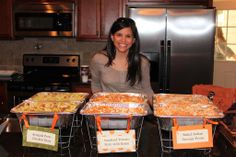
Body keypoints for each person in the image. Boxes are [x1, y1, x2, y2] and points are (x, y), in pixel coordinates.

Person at [90, 17, 154, 104]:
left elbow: (147, 90)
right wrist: (101, 106)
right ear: (112, 37)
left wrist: (158, 110)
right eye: (119, 35)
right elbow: (96, 85)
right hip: (109, 111)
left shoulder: (143, 62)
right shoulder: (98, 59)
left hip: (137, 112)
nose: (123, 40)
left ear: (133, 40)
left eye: (128, 36)